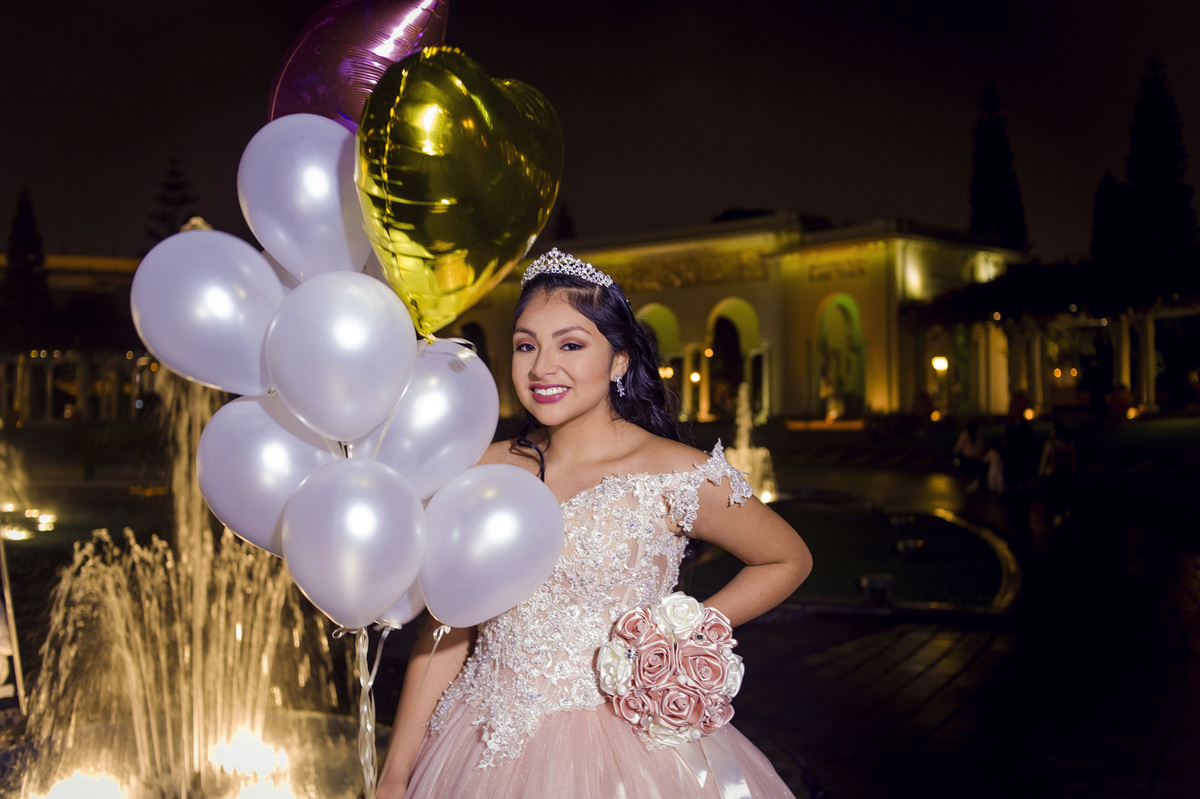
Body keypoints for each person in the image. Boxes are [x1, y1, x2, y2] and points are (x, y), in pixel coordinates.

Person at [378, 249, 813, 798]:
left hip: (627, 756)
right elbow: (446, 629)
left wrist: (680, 634)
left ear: (620, 361)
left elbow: (788, 558)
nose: (542, 368)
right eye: (525, 345)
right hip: (479, 736)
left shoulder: (676, 473)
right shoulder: (481, 468)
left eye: (571, 344)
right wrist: (396, 772)